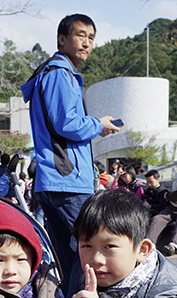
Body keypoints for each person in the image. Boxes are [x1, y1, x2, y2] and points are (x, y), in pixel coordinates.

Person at [21, 13, 120, 283]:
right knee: (88, 251)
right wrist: (98, 125)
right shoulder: (60, 74)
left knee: (69, 255)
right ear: (62, 39)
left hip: (56, 180)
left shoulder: (56, 73)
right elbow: (67, 124)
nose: (86, 43)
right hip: (67, 181)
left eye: (91, 38)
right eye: (80, 35)